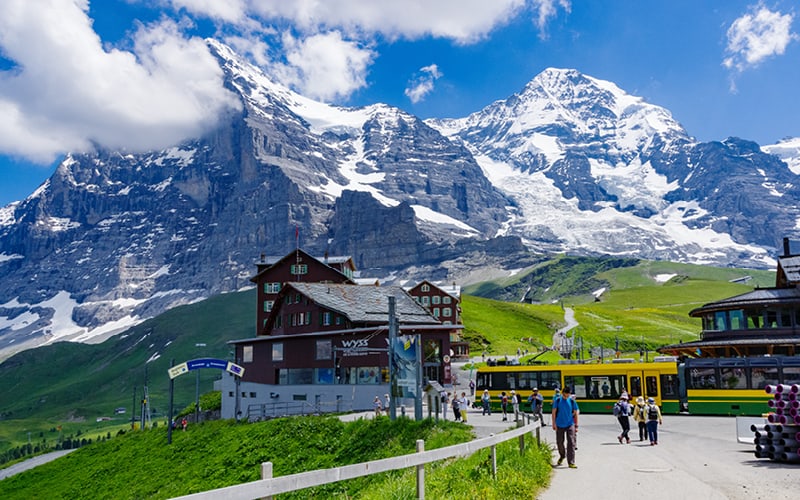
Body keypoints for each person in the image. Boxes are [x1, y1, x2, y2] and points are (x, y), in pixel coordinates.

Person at [552, 386, 579, 468]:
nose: (566, 397)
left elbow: (576, 412)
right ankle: (562, 455)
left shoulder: (571, 401)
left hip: (570, 424)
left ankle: (571, 462)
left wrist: (576, 425)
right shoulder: (557, 400)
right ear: (562, 393)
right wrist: (554, 423)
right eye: (565, 395)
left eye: (568, 395)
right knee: (560, 442)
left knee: (571, 442)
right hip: (559, 424)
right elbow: (553, 412)